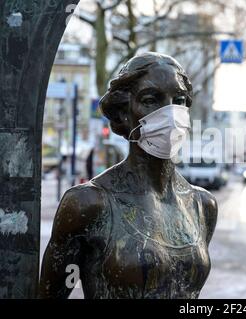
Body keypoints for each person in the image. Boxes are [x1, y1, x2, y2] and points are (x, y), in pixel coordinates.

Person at [39, 53, 218, 299]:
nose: (170, 113)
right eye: (151, 99)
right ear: (124, 113)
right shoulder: (88, 204)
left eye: (179, 100)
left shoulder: (202, 205)